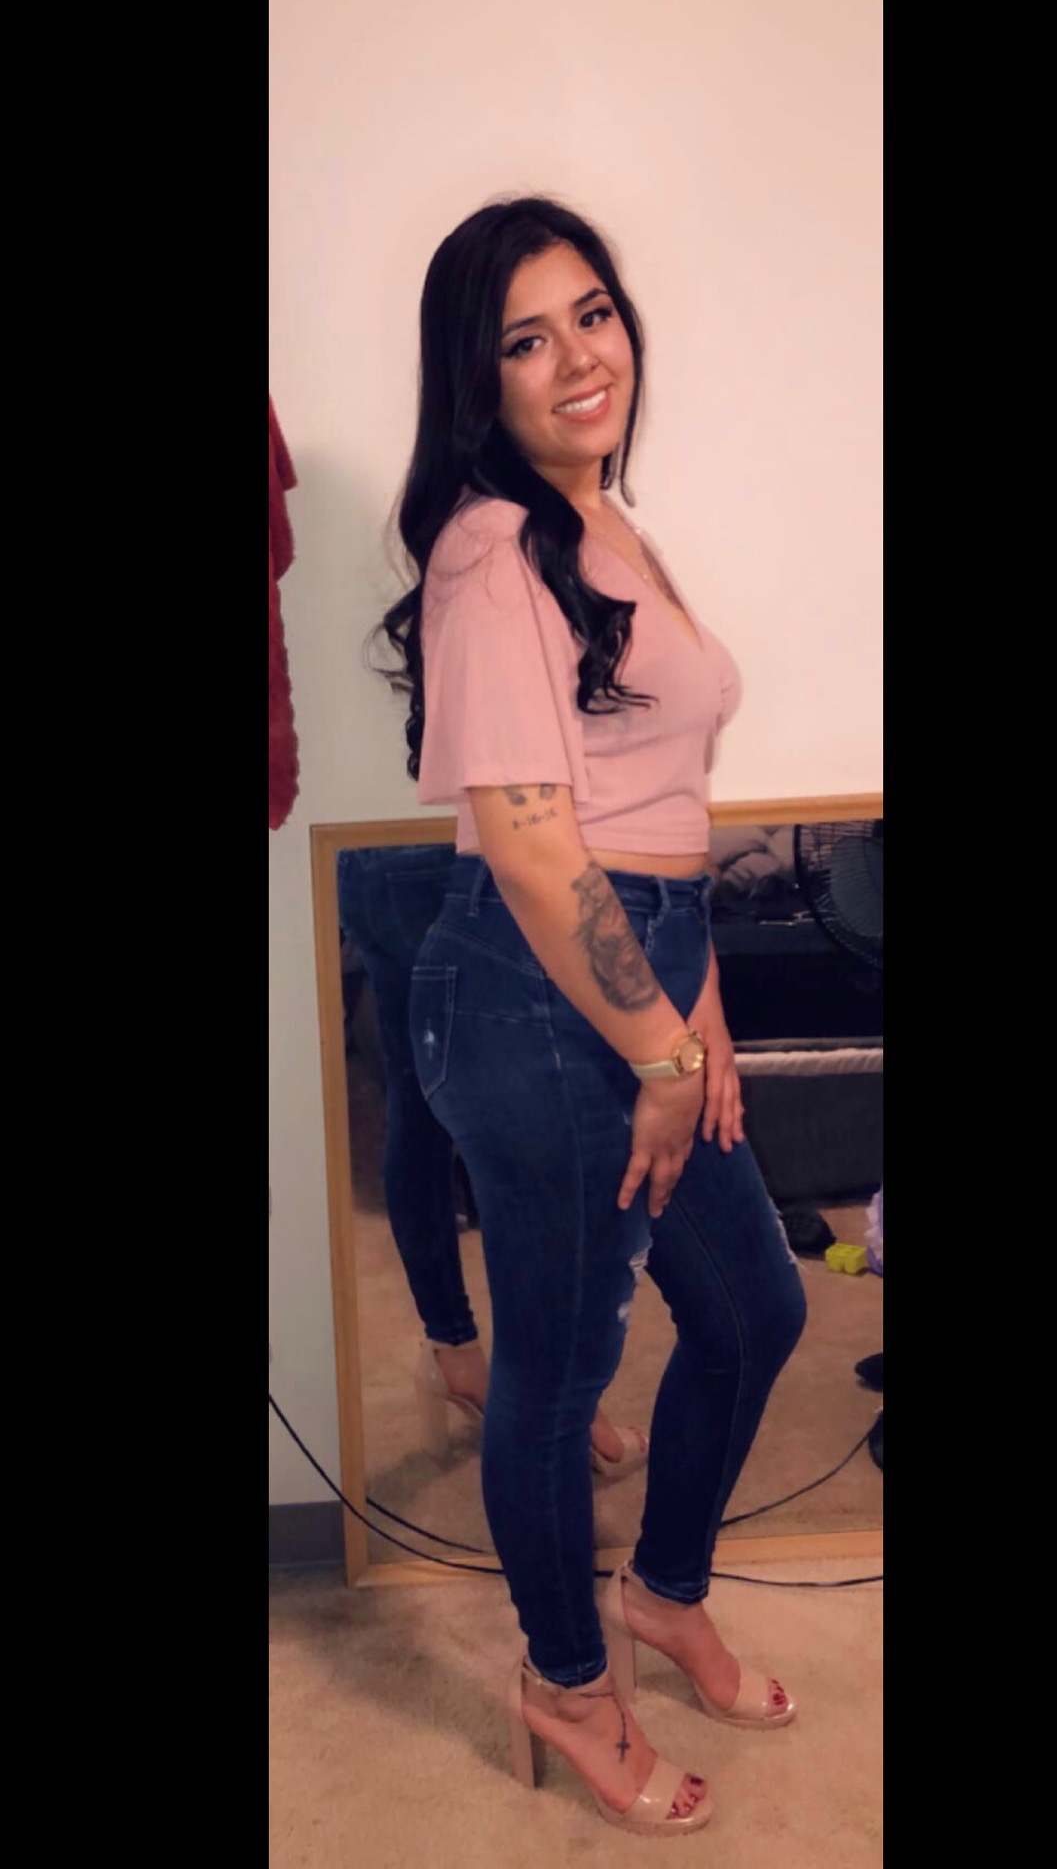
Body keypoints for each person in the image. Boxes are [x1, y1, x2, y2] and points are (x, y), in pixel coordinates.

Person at [378, 196, 807, 1836]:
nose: (577, 357)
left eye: (594, 313)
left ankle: (661, 1591)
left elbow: (662, 806)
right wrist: (659, 1045)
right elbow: (534, 836)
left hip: (640, 974)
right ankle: (566, 1684)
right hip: (536, 992)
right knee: (560, 1380)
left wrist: (701, 1008)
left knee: (755, 1310)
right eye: (525, 337)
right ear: (475, 378)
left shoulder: (601, 520)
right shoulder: (489, 547)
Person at [336, 842, 649, 1476]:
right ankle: (556, 1395)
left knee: (416, 1102)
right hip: (451, 850)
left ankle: (455, 1353)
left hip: (366, 861)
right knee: (532, 1109)